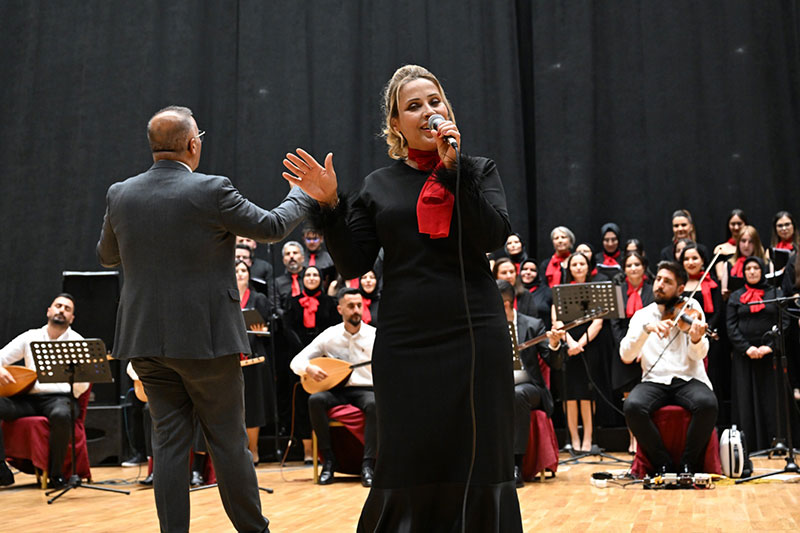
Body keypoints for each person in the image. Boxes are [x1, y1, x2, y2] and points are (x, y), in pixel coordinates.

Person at [282, 64, 522, 531]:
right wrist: (330, 205)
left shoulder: (478, 170)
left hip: (475, 331)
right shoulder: (378, 185)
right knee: (409, 453)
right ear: (395, 124)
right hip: (407, 340)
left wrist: (456, 174)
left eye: (435, 101)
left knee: (478, 450)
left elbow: (493, 234)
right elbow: (353, 264)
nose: (429, 111)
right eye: (414, 106)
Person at [97, 105, 313, 533]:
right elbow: (270, 227)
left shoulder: (119, 193)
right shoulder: (212, 190)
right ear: (193, 144)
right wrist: (301, 195)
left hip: (145, 343)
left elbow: (106, 256)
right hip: (206, 342)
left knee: (169, 443)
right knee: (228, 443)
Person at [620, 261, 717, 474]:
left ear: (680, 289)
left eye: (667, 282)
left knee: (707, 403)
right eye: (658, 280)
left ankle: (687, 464)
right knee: (632, 406)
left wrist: (695, 340)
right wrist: (646, 330)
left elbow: (699, 355)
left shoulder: (693, 309)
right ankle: (662, 463)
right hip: (654, 380)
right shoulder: (642, 316)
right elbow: (625, 355)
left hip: (688, 378)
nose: (659, 285)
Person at [290, 288, 377, 487]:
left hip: (366, 389)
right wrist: (309, 368)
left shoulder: (374, 336)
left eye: (359, 306)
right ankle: (328, 461)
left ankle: (368, 465)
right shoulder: (330, 335)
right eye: (351, 306)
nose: (356, 310)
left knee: (374, 404)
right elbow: (297, 360)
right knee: (315, 400)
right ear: (340, 309)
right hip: (337, 389)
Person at [0, 294, 89, 488]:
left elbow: (82, 388)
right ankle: (1, 468)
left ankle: (56, 474)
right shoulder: (30, 336)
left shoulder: (78, 341)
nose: (61, 310)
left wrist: (78, 376)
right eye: (58, 306)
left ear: (72, 318)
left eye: (67, 309)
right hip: (29, 398)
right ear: (49, 310)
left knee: (61, 414)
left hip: (61, 399)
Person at [497, 280, 564, 487]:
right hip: (498, 387)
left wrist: (554, 344)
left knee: (517, 395)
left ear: (506, 304)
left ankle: (516, 465)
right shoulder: (489, 326)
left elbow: (555, 363)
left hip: (528, 388)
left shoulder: (533, 325)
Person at [726, 256, 791, 451]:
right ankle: (750, 444)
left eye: (756, 268)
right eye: (748, 269)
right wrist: (747, 348)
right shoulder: (735, 296)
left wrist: (770, 346)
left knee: (771, 399)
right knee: (745, 399)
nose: (752, 272)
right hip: (745, 355)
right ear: (743, 273)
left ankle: (775, 441)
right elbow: (731, 326)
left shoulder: (775, 292)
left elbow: (785, 322)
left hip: (770, 354)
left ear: (762, 271)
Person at [283, 265, 340, 462]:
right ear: (302, 279)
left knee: (321, 402)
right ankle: (307, 452)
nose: (311, 277)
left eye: (315, 274)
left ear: (321, 279)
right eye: (308, 274)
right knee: (300, 404)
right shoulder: (292, 302)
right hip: (299, 358)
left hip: (324, 359)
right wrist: (303, 352)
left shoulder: (330, 303)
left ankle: (324, 451)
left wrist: (318, 351)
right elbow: (287, 328)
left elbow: (333, 329)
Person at [551, 252, 604, 452]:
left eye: (582, 263)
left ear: (588, 267)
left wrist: (580, 344)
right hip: (568, 345)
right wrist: (570, 342)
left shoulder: (595, 291)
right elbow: (557, 321)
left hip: (588, 347)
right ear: (569, 268)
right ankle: (574, 439)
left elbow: (598, 322)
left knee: (587, 395)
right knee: (570, 395)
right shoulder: (560, 291)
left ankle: (588, 439)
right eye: (575, 264)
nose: (579, 267)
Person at [610, 251, 653, 453]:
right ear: (624, 269)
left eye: (637, 264)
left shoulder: (652, 291)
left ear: (644, 267)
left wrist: (642, 348)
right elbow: (616, 325)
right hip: (625, 350)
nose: (633, 268)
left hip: (649, 349)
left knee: (647, 395)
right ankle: (633, 439)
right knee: (629, 397)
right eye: (629, 265)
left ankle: (646, 439)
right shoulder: (618, 292)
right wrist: (628, 347)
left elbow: (656, 321)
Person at [236, 259, 270, 464]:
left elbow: (266, 329)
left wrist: (262, 331)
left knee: (253, 404)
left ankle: (253, 449)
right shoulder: (226, 298)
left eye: (243, 270)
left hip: (254, 355)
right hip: (232, 357)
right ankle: (238, 452)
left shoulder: (258, 298)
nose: (240, 274)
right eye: (236, 270)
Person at [519, 259, 553, 329]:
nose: (528, 272)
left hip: (542, 335)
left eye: (532, 270)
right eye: (525, 269)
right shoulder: (514, 291)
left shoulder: (547, 291)